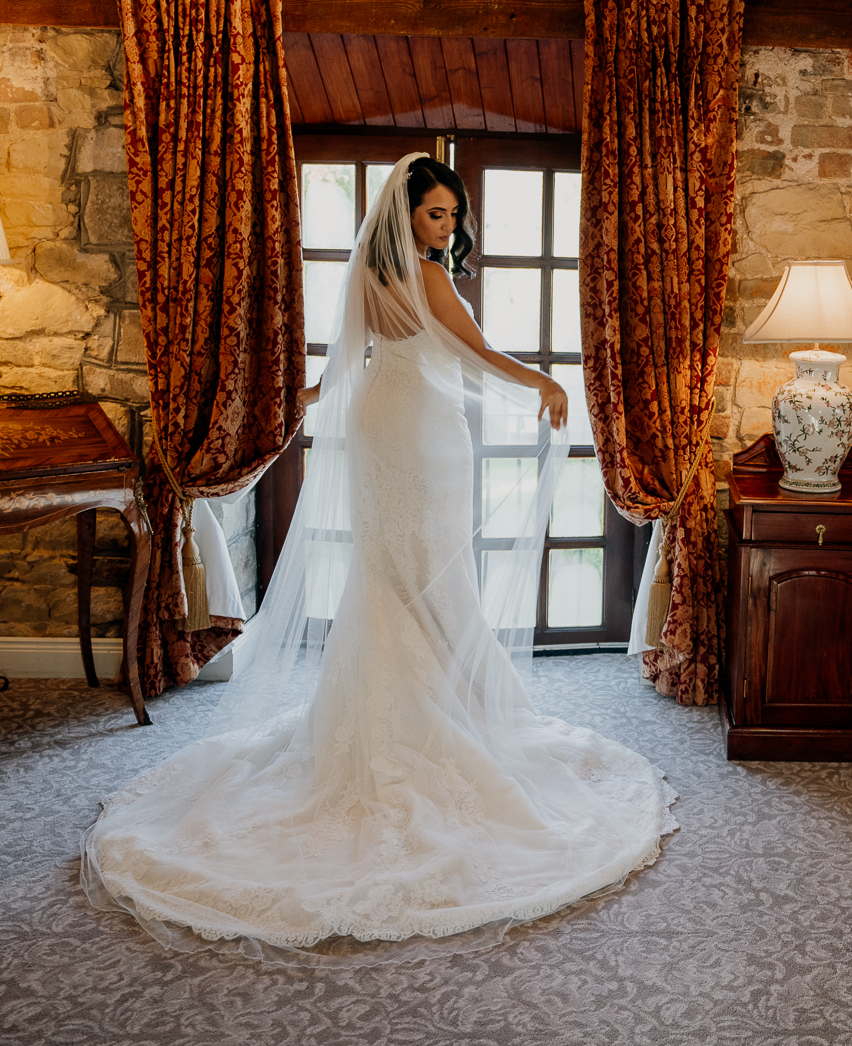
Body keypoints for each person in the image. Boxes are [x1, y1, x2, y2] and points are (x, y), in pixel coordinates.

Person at [81, 155, 675, 963]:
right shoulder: (427, 277)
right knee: (421, 572)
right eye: (437, 214)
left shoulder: (367, 272)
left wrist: (314, 401)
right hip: (421, 433)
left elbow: (351, 362)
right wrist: (544, 381)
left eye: (453, 216)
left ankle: (393, 709)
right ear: (407, 213)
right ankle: (431, 717)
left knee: (393, 574)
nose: (449, 228)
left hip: (379, 427)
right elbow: (477, 354)